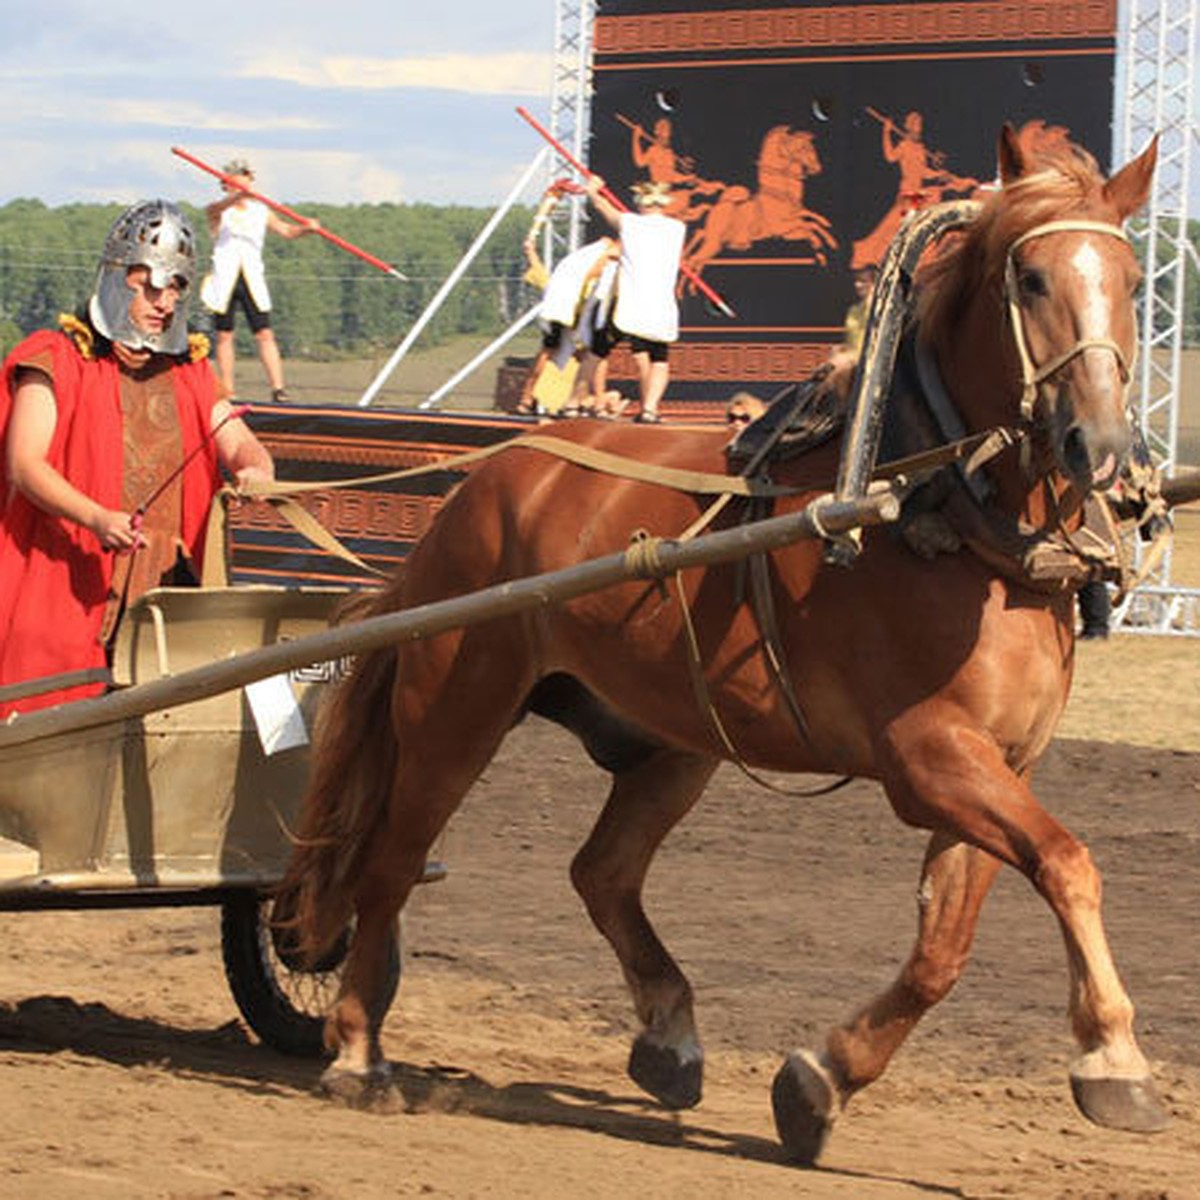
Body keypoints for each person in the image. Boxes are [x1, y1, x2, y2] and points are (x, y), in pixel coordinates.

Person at [0, 199, 274, 716]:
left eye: (173, 287)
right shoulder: (56, 358)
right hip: (68, 588)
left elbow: (232, 434)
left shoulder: (188, 369)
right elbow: (25, 463)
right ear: (117, 277)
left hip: (166, 597)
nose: (162, 301)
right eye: (148, 285)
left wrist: (254, 466)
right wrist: (95, 517)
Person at [202, 158, 319, 402]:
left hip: (252, 278)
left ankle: (278, 388)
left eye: (247, 176)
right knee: (224, 334)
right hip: (225, 279)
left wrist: (307, 228)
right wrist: (237, 196)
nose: (246, 180)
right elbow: (212, 212)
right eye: (239, 177)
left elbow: (286, 231)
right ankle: (228, 389)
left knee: (264, 333)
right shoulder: (221, 211)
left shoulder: (260, 210)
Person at [585, 176, 687, 423]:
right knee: (659, 359)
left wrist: (593, 190)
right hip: (661, 307)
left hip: (633, 305)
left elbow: (601, 207)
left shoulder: (629, 223)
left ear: (642, 202)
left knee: (599, 350)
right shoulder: (678, 228)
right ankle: (650, 409)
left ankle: (575, 401)